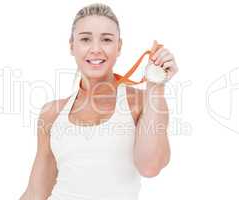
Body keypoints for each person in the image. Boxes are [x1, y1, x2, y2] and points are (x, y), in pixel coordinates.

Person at [20, 3, 178, 200]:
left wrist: (156, 86)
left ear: (119, 47)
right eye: (85, 39)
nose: (96, 49)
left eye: (106, 39)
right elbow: (36, 192)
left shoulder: (142, 102)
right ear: (72, 46)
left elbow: (150, 166)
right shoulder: (51, 113)